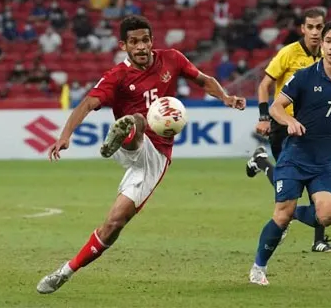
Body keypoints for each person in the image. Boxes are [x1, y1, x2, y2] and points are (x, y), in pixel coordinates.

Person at [36, 15, 246, 294]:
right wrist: (65, 136)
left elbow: (204, 80)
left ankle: (65, 271)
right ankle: (124, 134)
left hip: (155, 158)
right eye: (134, 42)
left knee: (113, 225)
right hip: (131, 147)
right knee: (136, 119)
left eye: (145, 40)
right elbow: (87, 104)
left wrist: (227, 98)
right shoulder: (117, 76)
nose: (141, 47)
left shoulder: (171, 59)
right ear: (124, 45)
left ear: (152, 41)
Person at [248, 20, 331, 286]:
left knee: (329, 214)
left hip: (325, 163)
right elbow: (278, 106)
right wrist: (288, 120)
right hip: (295, 157)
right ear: (322, 45)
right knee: (281, 212)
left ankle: (291, 216)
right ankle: (258, 268)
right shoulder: (304, 76)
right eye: (328, 42)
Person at [245, 7, 331, 253]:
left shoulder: (328, 56)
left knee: (317, 181)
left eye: (320, 27)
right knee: (286, 180)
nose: (316, 32)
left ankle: (319, 240)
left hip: (314, 128)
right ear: (303, 29)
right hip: (284, 125)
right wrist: (264, 117)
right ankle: (263, 162)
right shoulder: (288, 53)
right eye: (310, 27)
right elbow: (264, 85)